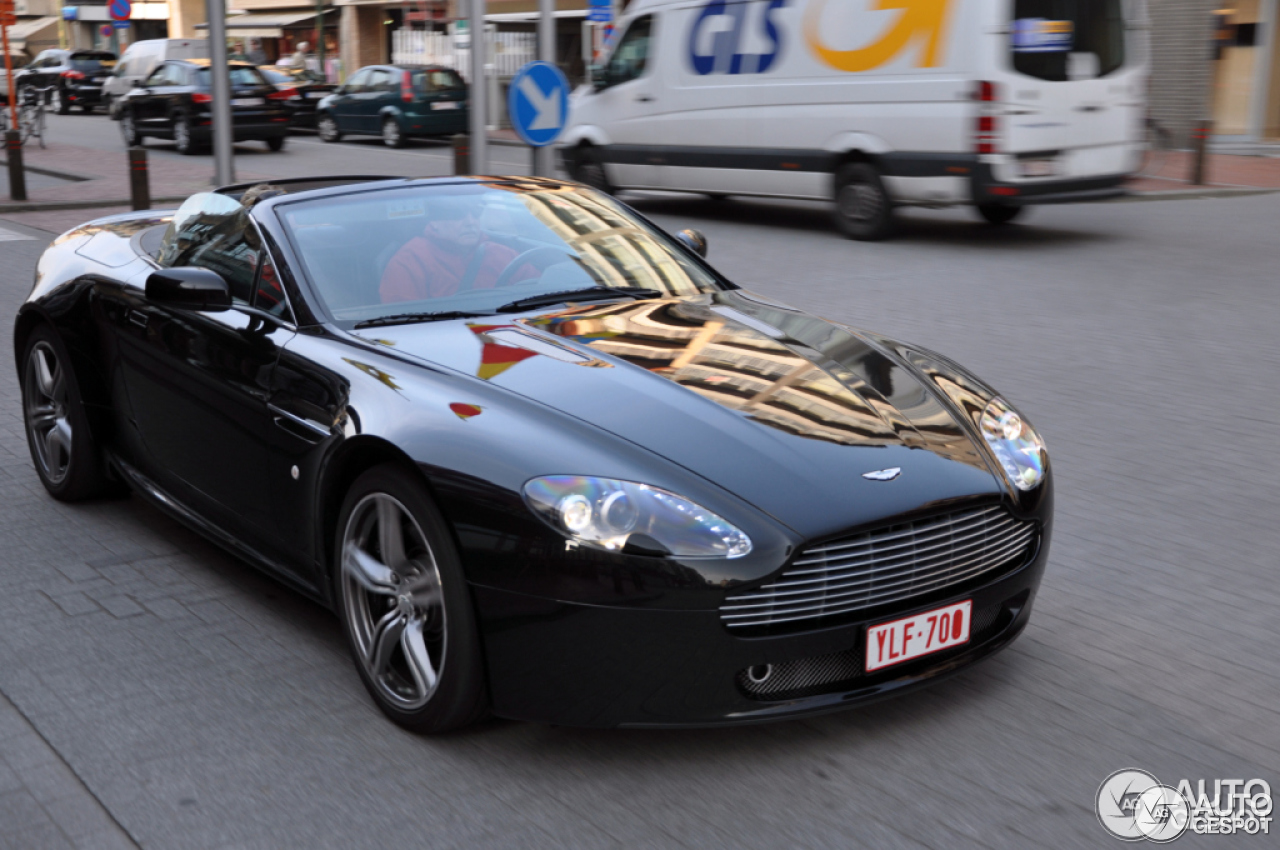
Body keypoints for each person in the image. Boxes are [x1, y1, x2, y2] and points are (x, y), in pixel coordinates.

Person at [380, 196, 540, 303]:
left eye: (476, 213)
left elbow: (539, 292)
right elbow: (404, 322)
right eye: (458, 214)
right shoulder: (411, 258)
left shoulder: (503, 254)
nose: (470, 222)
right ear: (434, 222)